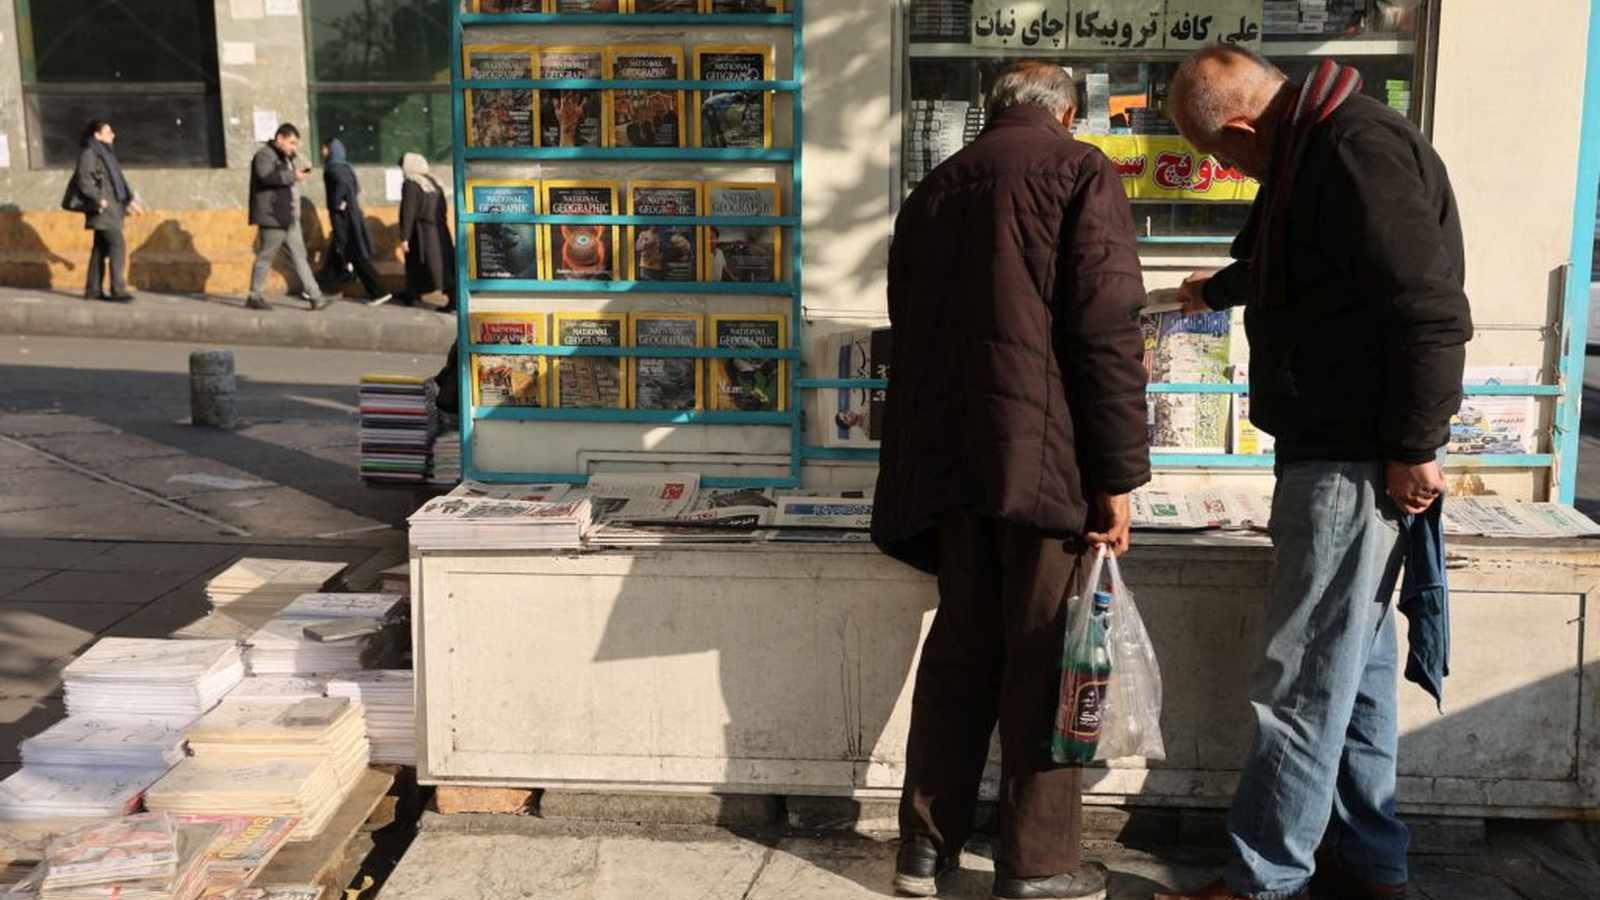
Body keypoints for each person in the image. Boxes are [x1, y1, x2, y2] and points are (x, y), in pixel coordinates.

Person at [1155, 47, 1471, 900]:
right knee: (1354, 673)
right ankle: (1372, 864)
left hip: (1353, 456)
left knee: (1299, 680)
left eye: (1225, 156)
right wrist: (1218, 288)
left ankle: (1264, 879)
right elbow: (1315, 269)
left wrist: (1414, 444)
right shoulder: (1315, 148)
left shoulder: (1352, 149)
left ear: (1249, 127)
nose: (1230, 172)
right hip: (1343, 446)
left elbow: (1430, 308)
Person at [872, 61, 1151, 900]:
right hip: (1044, 466)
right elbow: (1107, 331)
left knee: (960, 652)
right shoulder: (1079, 170)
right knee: (1047, 660)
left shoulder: (935, 189)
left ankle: (924, 851)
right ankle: (1037, 866)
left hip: (953, 465)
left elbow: (906, 322)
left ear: (994, 111)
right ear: (1067, 111)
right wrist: (1118, 475)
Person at [247, 123, 328, 311]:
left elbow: (287, 174)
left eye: (296, 143)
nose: (294, 147)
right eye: (291, 142)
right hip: (273, 216)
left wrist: (295, 161)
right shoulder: (264, 155)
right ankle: (254, 295)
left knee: (300, 256)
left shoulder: (284, 157)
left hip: (289, 216)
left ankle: (316, 297)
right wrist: (293, 175)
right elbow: (266, 177)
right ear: (280, 138)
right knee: (266, 257)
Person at [69, 120, 142, 302]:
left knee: (100, 249)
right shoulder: (90, 153)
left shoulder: (106, 154)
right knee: (117, 245)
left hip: (111, 208)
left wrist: (130, 201)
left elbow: (118, 182)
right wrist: (97, 199)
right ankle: (118, 290)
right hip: (102, 209)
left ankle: (93, 290)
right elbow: (83, 179)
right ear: (97, 135)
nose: (113, 135)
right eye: (108, 132)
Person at [318, 139, 392, 305]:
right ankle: (322, 289)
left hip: (344, 220)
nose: (322, 151)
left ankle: (379, 291)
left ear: (330, 149)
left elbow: (343, 186)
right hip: (350, 217)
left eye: (323, 148)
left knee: (355, 255)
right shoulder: (346, 167)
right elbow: (355, 188)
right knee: (338, 253)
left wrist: (338, 203)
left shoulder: (334, 168)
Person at [396, 153, 457, 311]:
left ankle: (414, 296)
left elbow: (408, 211)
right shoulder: (434, 182)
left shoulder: (411, 183)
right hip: (440, 230)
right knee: (443, 265)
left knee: (418, 264)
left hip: (422, 233)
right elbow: (443, 208)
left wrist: (404, 237)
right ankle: (452, 299)